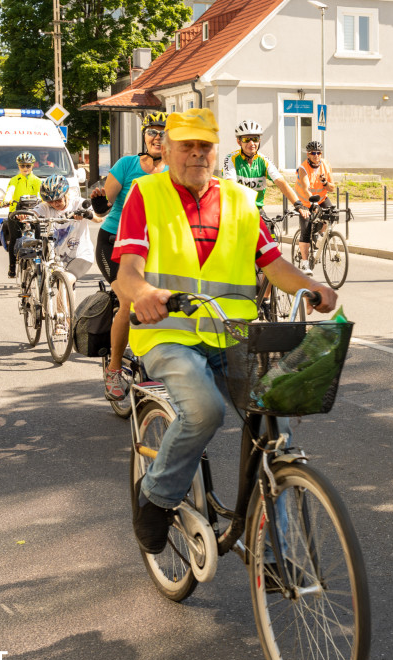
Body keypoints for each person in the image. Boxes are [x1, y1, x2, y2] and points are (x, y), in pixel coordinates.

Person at [112, 108, 337, 554]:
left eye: (204, 147)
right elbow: (127, 271)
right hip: (168, 334)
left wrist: (312, 285)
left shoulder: (240, 200)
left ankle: (278, 554)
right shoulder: (146, 193)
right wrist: (143, 294)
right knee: (204, 410)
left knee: (278, 426)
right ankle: (156, 498)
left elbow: (273, 266)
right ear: (170, 149)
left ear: (217, 151)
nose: (196, 154)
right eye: (186, 146)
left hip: (234, 335)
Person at [90, 111, 168, 402]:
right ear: (144, 136)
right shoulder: (128, 164)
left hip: (153, 247)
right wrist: (99, 203)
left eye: (162, 132)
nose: (156, 136)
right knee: (131, 300)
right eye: (152, 131)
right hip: (114, 243)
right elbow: (103, 208)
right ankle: (113, 370)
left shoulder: (174, 170)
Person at [222, 119, 308, 229]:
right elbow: (231, 185)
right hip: (237, 209)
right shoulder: (231, 159)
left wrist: (298, 205)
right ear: (239, 142)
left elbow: (281, 182)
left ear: (259, 140)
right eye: (246, 139)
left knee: (271, 240)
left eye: (255, 139)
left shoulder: (264, 160)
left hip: (257, 210)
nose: (251, 143)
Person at [33, 174, 96, 288]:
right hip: (57, 259)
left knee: (65, 281)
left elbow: (98, 218)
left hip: (81, 256)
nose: (55, 204)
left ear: (66, 194)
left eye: (58, 200)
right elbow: (35, 213)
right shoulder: (46, 207)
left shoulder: (78, 203)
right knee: (65, 290)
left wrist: (87, 214)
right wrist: (24, 216)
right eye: (51, 201)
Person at [293, 140, 335, 275]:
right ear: (308, 155)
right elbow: (305, 189)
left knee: (332, 216)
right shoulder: (303, 168)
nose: (316, 155)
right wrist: (312, 203)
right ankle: (305, 265)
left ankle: (317, 238)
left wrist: (325, 182)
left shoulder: (326, 165)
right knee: (306, 230)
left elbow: (332, 188)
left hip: (322, 198)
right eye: (313, 153)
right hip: (305, 201)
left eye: (318, 153)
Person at [2, 152, 42, 278]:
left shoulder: (37, 180)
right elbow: (10, 191)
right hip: (16, 210)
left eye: (28, 166)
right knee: (14, 238)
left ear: (32, 166)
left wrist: (43, 201)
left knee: (40, 235)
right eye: (22, 166)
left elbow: (40, 194)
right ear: (19, 166)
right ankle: (12, 267)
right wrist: (7, 200)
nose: (25, 168)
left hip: (33, 211)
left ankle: (41, 262)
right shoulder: (14, 180)